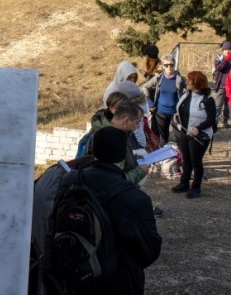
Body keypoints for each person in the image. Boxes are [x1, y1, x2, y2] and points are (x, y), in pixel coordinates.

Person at [69, 126, 162, 295]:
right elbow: (150, 249)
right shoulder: (135, 198)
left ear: (93, 150)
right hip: (120, 278)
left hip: (73, 271)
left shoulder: (70, 180)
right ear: (123, 155)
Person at [171, 71, 216, 199]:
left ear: (196, 83)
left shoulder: (208, 100)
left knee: (196, 161)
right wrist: (177, 117)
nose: (187, 82)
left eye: (189, 80)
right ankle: (184, 183)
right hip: (185, 132)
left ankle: (196, 187)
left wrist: (198, 128)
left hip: (199, 136)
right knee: (186, 159)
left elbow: (211, 119)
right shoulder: (186, 95)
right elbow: (182, 110)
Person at [87, 96, 150, 186]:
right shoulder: (109, 140)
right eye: (137, 122)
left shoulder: (121, 133)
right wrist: (140, 171)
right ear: (126, 121)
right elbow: (113, 181)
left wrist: (133, 158)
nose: (138, 127)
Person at [103, 61, 151, 148]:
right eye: (129, 78)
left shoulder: (130, 90)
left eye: (133, 78)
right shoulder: (112, 90)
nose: (132, 81)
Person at [142, 54, 187, 145]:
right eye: (166, 65)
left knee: (180, 136)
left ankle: (182, 157)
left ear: (175, 65)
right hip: (161, 112)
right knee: (163, 137)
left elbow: (191, 89)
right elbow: (145, 87)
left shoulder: (180, 79)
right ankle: (164, 156)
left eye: (171, 64)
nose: (169, 67)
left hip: (175, 114)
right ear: (163, 66)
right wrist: (149, 102)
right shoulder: (159, 78)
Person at [212, 41, 231, 127]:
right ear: (223, 50)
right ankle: (214, 122)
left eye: (229, 49)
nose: (227, 51)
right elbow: (219, 68)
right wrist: (226, 60)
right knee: (218, 104)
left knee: (228, 105)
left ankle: (225, 121)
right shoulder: (219, 58)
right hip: (221, 85)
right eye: (225, 49)